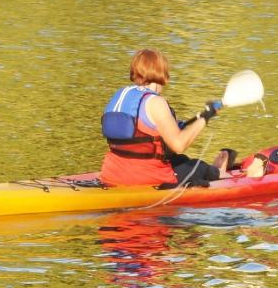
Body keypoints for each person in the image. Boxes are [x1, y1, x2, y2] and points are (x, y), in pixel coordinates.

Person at [100, 47, 236, 187]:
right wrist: (204, 118)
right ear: (162, 73)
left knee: (181, 160)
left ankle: (217, 170)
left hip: (111, 174)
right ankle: (223, 174)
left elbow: (141, 132)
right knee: (198, 166)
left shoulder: (119, 95)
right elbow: (178, 145)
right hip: (147, 177)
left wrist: (177, 126)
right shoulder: (156, 102)